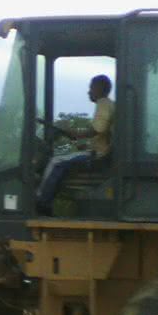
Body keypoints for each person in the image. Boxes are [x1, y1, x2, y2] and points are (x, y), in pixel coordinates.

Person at [35, 74, 114, 214]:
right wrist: (84, 144)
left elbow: (98, 129)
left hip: (98, 155)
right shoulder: (108, 104)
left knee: (56, 161)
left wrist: (76, 133)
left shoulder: (103, 103)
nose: (89, 92)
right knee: (63, 159)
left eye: (91, 88)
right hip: (98, 151)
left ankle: (41, 202)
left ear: (100, 88)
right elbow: (102, 134)